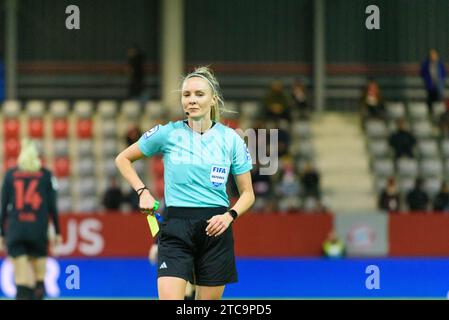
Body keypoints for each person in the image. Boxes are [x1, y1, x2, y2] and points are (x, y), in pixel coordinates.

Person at [115, 66, 255, 300]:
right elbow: (123, 159)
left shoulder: (232, 139)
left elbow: (248, 194)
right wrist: (142, 191)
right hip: (176, 228)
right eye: (186, 94)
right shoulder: (167, 133)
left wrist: (229, 215)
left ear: (213, 100)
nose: (191, 100)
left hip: (216, 229)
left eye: (199, 94)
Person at [0, 139, 62, 300]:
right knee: (39, 279)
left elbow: (3, 207)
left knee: (22, 281)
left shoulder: (10, 175)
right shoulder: (46, 175)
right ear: (38, 156)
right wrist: (58, 232)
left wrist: (1, 233)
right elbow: (52, 207)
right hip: (37, 230)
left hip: (16, 230)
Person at [420, 49, 447, 115]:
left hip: (438, 86)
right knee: (431, 99)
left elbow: (444, 74)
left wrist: (441, 81)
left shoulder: (440, 64)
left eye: (435, 55)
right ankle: (432, 112)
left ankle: (440, 113)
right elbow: (423, 74)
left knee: (439, 97)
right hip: (430, 86)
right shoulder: (426, 65)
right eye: (432, 55)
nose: (433, 57)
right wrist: (428, 81)